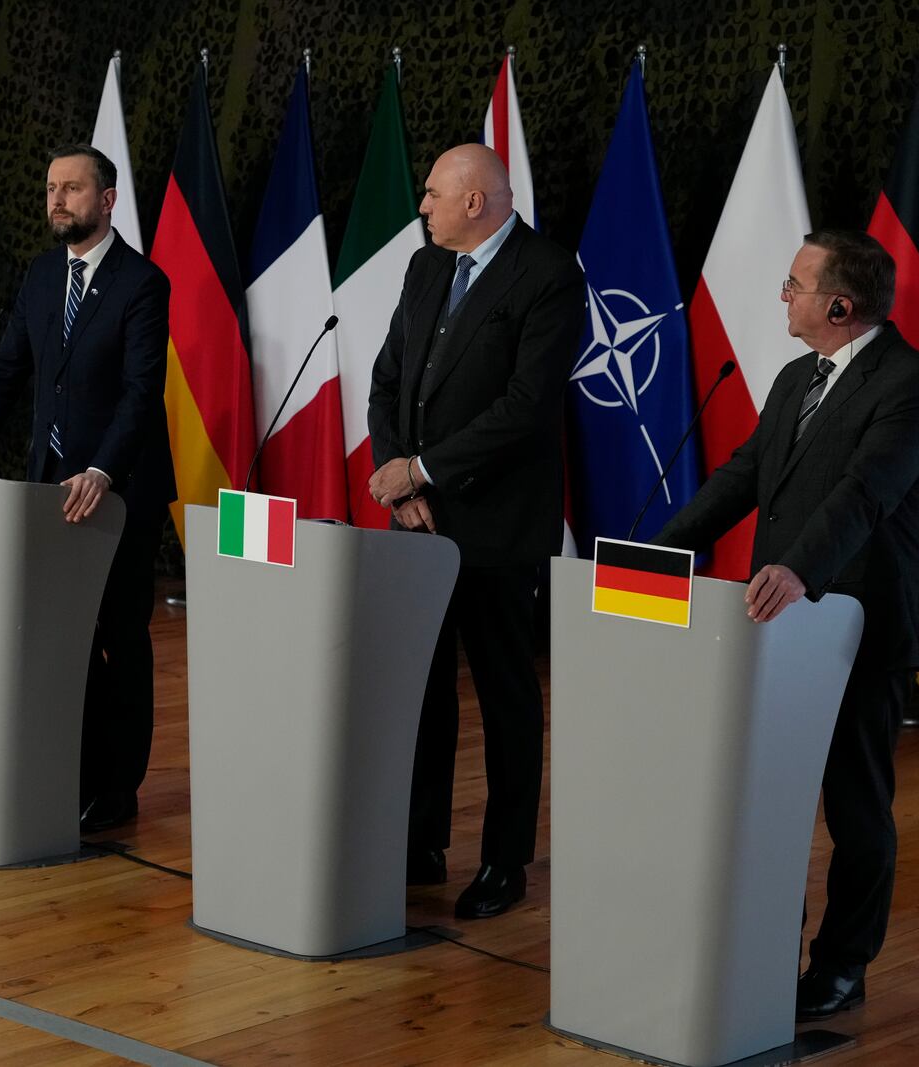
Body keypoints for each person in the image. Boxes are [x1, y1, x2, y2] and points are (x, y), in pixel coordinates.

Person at [653, 230, 919, 1021]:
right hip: (775, 629)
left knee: (855, 808)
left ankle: (845, 964)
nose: (785, 296)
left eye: (796, 286)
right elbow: (745, 475)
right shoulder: (794, 378)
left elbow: (864, 492)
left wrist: (799, 569)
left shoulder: (911, 384)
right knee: (767, 800)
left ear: (840, 306)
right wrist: (653, 555)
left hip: (856, 628)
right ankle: (762, 951)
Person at [367, 144, 585, 917]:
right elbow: (389, 377)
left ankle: (504, 860)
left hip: (495, 524)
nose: (420, 207)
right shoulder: (427, 267)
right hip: (418, 522)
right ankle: (421, 842)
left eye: (431, 195)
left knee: (504, 695)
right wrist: (398, 477)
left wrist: (420, 470)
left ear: (474, 202)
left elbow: (525, 409)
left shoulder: (550, 274)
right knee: (421, 689)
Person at [0, 143, 173, 832]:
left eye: (73, 188)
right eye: (52, 187)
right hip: (49, 486)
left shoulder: (143, 283)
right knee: (64, 634)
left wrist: (103, 468)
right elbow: (7, 370)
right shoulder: (43, 274)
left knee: (119, 632)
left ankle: (120, 785)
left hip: (119, 488)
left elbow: (142, 394)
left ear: (107, 200)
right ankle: (77, 767)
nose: (57, 199)